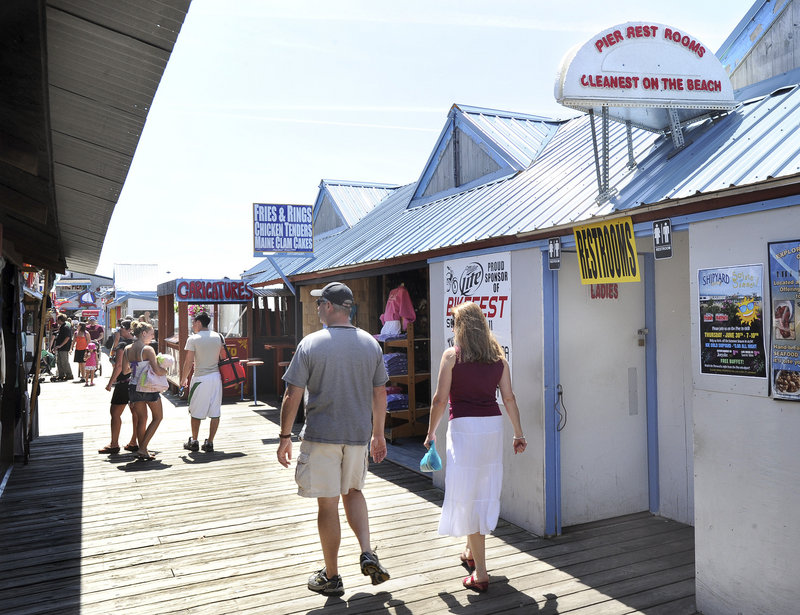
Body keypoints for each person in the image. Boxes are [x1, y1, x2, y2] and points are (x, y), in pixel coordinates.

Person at [277, 281, 390, 597]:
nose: (316, 310)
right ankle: (367, 550)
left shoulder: (311, 344)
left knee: (328, 506)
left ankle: (332, 575)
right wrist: (378, 434)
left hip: (322, 435)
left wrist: (285, 436)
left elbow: (292, 394)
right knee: (353, 492)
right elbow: (379, 392)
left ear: (328, 306)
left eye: (318, 304)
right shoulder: (370, 344)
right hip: (357, 437)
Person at [425, 301, 527, 593]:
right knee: (481, 487)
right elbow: (509, 399)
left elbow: (439, 400)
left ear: (460, 328)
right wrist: (518, 433)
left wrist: (431, 433)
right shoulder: (499, 360)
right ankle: (471, 553)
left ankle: (480, 573)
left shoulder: (452, 357)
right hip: (492, 429)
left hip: (464, 429)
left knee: (469, 494)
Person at [180, 311, 226, 453]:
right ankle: (210, 442)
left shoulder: (193, 339)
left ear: (199, 323)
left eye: (193, 323)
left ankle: (194, 441)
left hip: (200, 378)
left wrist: (183, 380)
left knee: (195, 410)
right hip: (216, 378)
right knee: (215, 411)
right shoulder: (219, 336)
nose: (192, 325)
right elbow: (223, 356)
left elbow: (188, 362)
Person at [123, 321, 166, 461]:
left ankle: (143, 450)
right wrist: (166, 369)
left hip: (134, 386)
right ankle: (142, 448)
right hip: (148, 387)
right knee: (158, 417)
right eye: (151, 333)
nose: (153, 336)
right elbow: (157, 371)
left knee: (142, 419)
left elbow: (125, 371)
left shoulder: (127, 349)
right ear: (143, 333)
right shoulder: (148, 350)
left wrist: (136, 367)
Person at [99, 320, 139, 455]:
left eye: (121, 328)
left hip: (124, 383)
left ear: (127, 330)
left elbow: (119, 366)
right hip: (136, 382)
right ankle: (134, 442)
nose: (119, 330)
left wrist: (110, 383)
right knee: (136, 413)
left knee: (115, 413)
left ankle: (114, 444)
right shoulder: (139, 344)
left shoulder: (122, 345)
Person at [51, 314, 73, 382]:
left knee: (64, 362)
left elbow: (67, 337)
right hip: (60, 347)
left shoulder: (66, 327)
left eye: (58, 320)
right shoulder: (62, 327)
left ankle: (69, 375)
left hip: (64, 347)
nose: (57, 321)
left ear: (60, 320)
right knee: (59, 362)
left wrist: (61, 345)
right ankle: (61, 375)